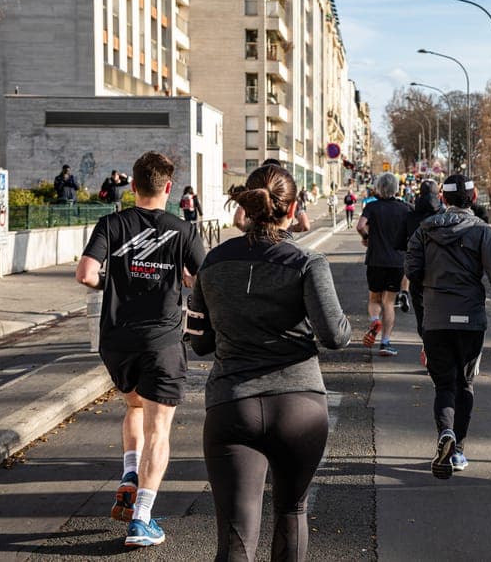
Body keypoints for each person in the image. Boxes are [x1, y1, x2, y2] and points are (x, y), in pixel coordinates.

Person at [187, 163, 351, 562]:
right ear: (292, 208)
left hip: (233, 404)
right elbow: (335, 336)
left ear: (245, 206)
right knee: (292, 513)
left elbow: (199, 345)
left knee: (236, 536)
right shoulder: (308, 263)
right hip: (300, 406)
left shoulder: (212, 263)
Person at [75, 151, 205, 548]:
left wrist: (110, 284)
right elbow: (206, 277)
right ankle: (142, 520)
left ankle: (130, 473)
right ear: (168, 188)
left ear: (132, 186)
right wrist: (187, 281)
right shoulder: (183, 230)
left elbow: (86, 274)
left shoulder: (111, 224)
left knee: (134, 407)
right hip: (162, 342)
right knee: (159, 428)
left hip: (116, 342)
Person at [405, 174, 491, 479]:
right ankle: (458, 449)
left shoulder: (424, 230)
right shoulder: (482, 231)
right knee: (465, 384)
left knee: (443, 385)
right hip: (471, 318)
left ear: (443, 198)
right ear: (474, 196)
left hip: (436, 318)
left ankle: (446, 434)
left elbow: (412, 271)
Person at [356, 172, 411, 357]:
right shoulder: (405, 208)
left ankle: (374, 320)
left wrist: (367, 237)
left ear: (379, 187)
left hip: (375, 260)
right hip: (397, 262)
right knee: (389, 302)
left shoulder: (372, 207)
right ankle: (385, 343)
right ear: (396, 188)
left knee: (374, 299)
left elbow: (360, 225)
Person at [395, 179, 442, 360]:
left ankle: (428, 345)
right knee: (440, 311)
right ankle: (435, 349)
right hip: (441, 271)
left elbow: (398, 243)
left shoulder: (410, 216)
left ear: (419, 195)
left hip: (417, 272)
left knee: (422, 312)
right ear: (438, 195)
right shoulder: (444, 215)